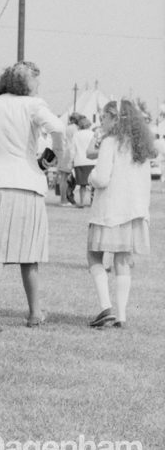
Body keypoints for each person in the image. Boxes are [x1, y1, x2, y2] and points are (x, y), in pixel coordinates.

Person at [0, 61, 64, 332]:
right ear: (28, 83)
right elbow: (57, 128)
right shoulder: (33, 105)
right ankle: (35, 313)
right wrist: (52, 157)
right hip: (27, 182)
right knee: (29, 254)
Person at [85, 100, 154, 330]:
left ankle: (106, 306)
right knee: (122, 261)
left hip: (109, 210)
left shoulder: (110, 142)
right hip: (133, 211)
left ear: (115, 119)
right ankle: (122, 316)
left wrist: (90, 177)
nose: (102, 121)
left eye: (104, 117)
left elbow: (102, 177)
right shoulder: (140, 146)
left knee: (94, 255)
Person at [56, 114, 80, 206]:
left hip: (65, 152)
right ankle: (64, 200)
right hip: (69, 153)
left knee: (63, 178)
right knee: (65, 179)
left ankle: (63, 199)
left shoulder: (67, 127)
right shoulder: (74, 128)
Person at [71, 116, 96, 207]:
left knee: (82, 185)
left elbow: (72, 150)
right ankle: (92, 202)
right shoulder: (93, 134)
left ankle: (81, 202)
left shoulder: (76, 135)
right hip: (92, 161)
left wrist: (71, 161)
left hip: (80, 161)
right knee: (93, 184)